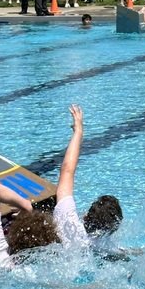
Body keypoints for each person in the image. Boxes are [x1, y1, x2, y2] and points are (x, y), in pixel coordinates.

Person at [54, 105, 123, 247]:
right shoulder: (105, 247)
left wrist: (78, 132)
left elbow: (67, 170)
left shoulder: (68, 221)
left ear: (86, 215)